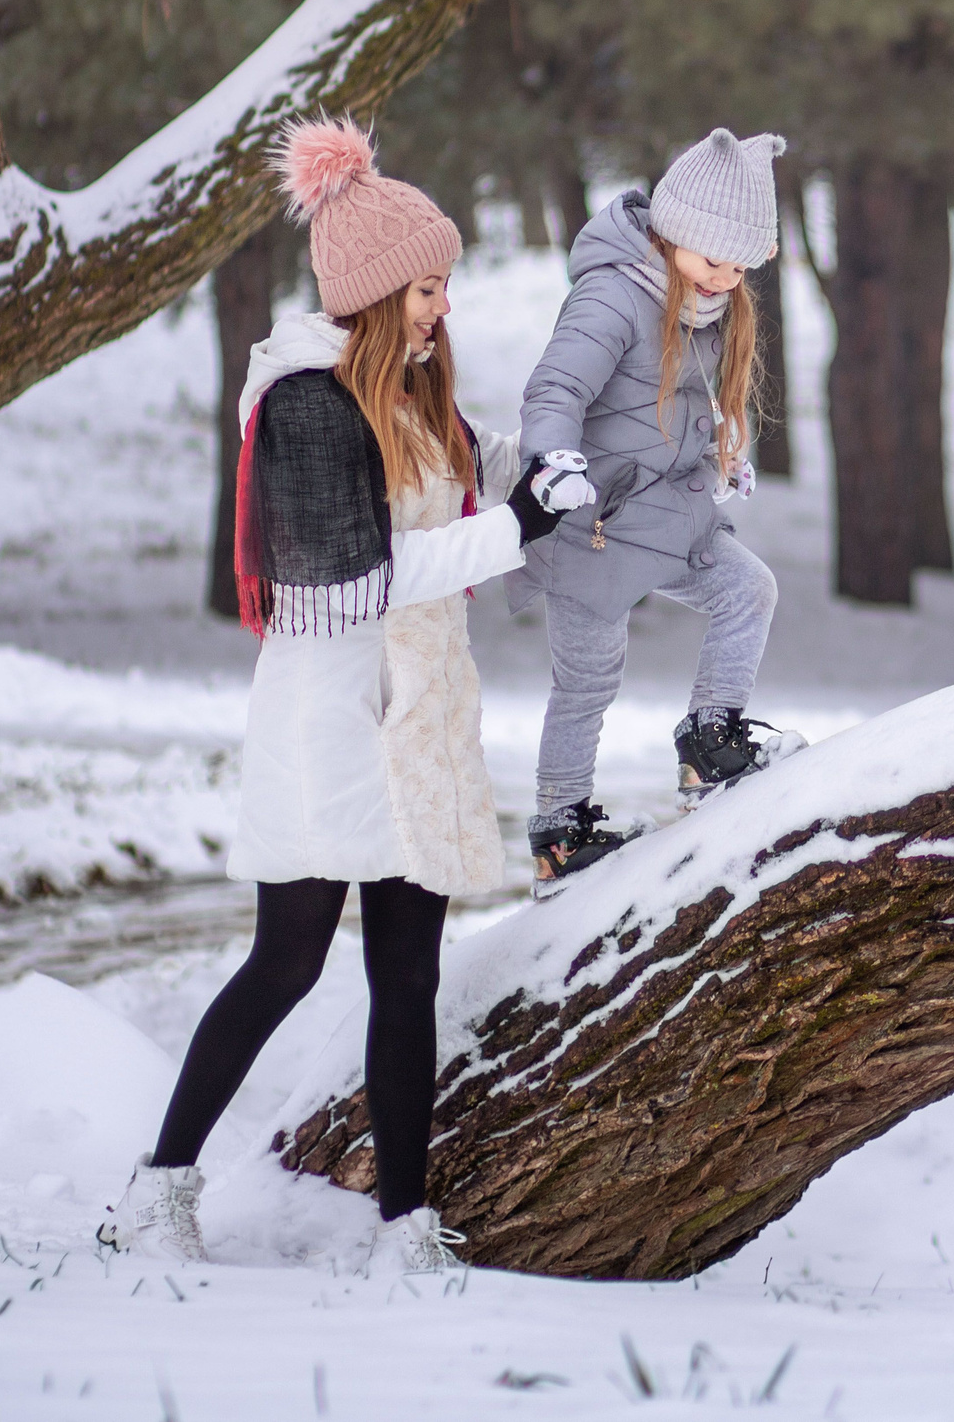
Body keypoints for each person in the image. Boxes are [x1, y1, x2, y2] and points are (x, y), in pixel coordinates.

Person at [97, 117, 590, 1273]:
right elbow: (360, 580)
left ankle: (403, 1229)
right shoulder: (310, 408)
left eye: (446, 284)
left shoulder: (410, 387)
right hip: (330, 723)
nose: (442, 308)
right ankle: (158, 1189)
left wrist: (536, 468)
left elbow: (457, 467)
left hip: (416, 719)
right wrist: (513, 532)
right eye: (425, 287)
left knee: (407, 974)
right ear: (371, 292)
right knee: (288, 960)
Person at [511, 128, 798, 889]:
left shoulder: (705, 307)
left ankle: (709, 740)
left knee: (749, 590)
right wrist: (551, 458)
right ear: (673, 237)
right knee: (587, 680)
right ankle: (559, 829)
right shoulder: (611, 296)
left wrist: (719, 463)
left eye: (740, 267)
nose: (724, 280)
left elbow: (681, 409)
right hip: (590, 521)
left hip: (667, 512)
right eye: (712, 260)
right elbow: (556, 388)